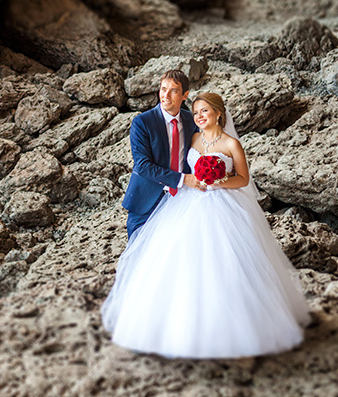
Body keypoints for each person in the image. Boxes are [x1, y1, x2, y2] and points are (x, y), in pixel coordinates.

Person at [101, 92, 311, 359]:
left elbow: (243, 179)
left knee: (227, 259)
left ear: (218, 114)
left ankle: (234, 327)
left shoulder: (232, 144)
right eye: (196, 112)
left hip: (224, 204)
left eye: (204, 112)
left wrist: (218, 181)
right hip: (187, 203)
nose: (199, 117)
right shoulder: (193, 138)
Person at [122, 70, 201, 239]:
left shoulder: (191, 121)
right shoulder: (142, 122)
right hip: (147, 200)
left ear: (185, 95)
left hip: (183, 199)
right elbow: (142, 165)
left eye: (173, 91)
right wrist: (183, 179)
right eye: (163, 89)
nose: (165, 95)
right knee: (139, 256)